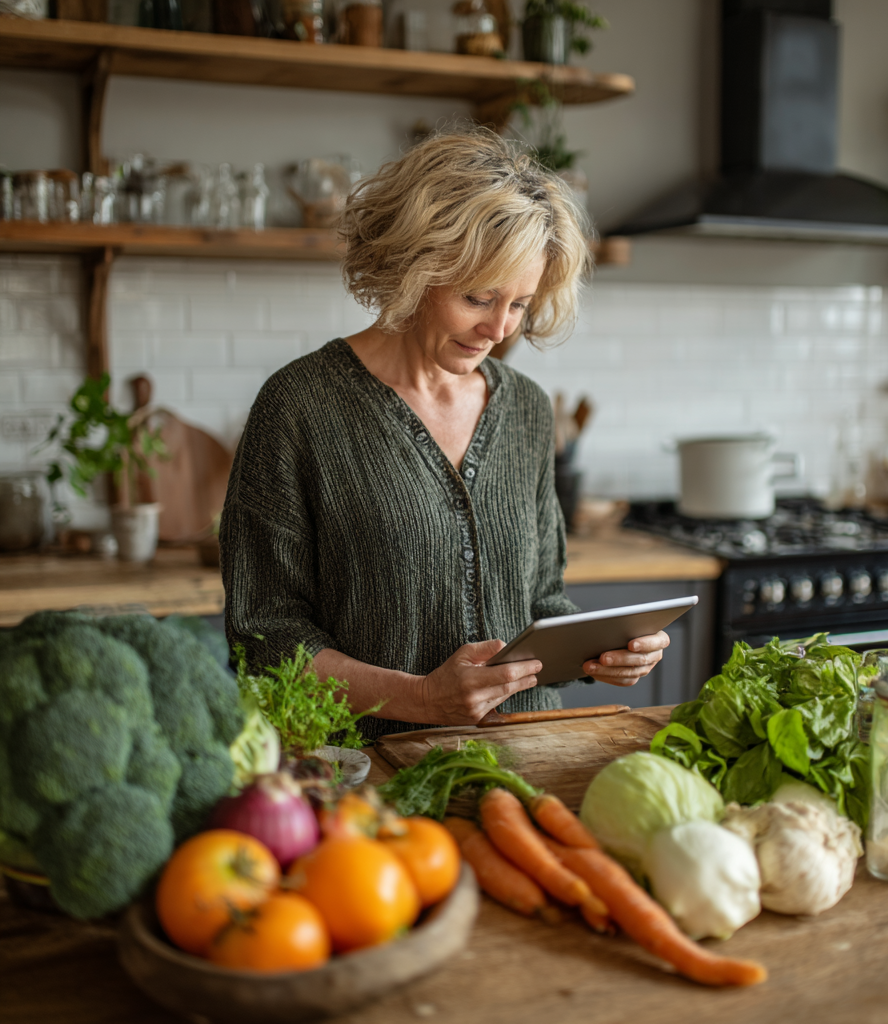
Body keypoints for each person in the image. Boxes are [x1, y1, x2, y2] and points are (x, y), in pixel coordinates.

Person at [220, 128, 669, 740]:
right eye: (478, 297)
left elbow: (540, 601)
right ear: (414, 266)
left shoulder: (528, 410)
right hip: (369, 779)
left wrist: (602, 652)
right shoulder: (300, 406)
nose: (498, 330)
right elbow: (264, 641)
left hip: (524, 764)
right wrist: (423, 698)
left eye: (519, 305)